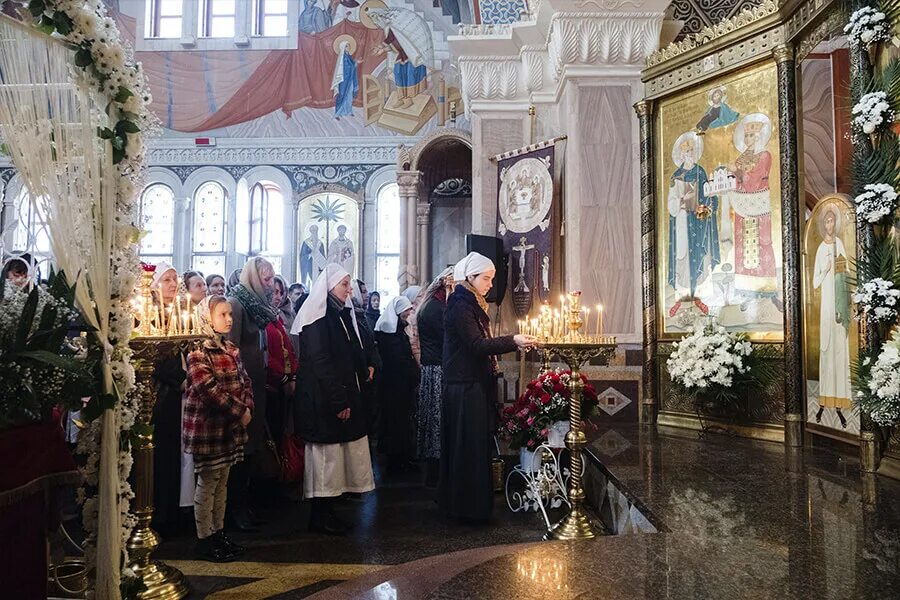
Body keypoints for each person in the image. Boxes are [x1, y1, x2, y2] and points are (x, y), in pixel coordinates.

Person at [440, 252, 535, 522]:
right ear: (470, 277)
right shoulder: (460, 305)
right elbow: (476, 346)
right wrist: (513, 340)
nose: (490, 284)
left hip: (472, 384)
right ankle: (465, 507)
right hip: (463, 386)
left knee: (474, 446)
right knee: (466, 447)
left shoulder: (473, 303)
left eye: (492, 279)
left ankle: (474, 506)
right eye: (486, 278)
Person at [292, 264, 376, 535]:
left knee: (336, 459)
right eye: (344, 284)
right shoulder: (318, 318)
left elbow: (350, 349)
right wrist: (339, 401)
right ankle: (319, 515)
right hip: (322, 401)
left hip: (337, 396)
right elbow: (322, 362)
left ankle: (329, 511)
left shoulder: (338, 313)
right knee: (325, 461)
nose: (349, 289)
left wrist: (364, 367)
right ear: (328, 288)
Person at [184, 296, 254, 562]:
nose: (229, 319)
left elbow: (245, 381)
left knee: (223, 482)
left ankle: (219, 532)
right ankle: (204, 537)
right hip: (209, 427)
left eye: (230, 315)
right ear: (207, 318)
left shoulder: (231, 348)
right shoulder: (197, 352)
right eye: (223, 315)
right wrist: (240, 411)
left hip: (229, 428)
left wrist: (247, 406)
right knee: (208, 482)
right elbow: (208, 389)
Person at [225, 257, 279, 531]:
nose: (270, 285)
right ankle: (234, 510)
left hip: (257, 386)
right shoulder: (237, 304)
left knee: (252, 449)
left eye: (272, 279)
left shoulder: (258, 307)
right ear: (254, 279)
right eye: (266, 280)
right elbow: (230, 350)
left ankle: (245, 505)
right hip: (241, 389)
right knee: (240, 451)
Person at [150, 263, 189, 531]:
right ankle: (157, 515)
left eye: (175, 279)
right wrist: (181, 378)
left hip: (176, 397)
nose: (173, 284)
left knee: (174, 454)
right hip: (159, 397)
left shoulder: (176, 313)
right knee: (159, 456)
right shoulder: (149, 314)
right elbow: (157, 357)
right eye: (166, 280)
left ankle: (171, 511)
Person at [666, 132, 718, 317]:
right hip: (681, 221)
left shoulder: (700, 172)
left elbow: (709, 194)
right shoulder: (676, 176)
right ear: (681, 155)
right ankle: (682, 297)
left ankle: (699, 296)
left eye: (691, 151)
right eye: (686, 152)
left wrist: (708, 203)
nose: (689, 154)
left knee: (699, 257)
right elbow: (671, 203)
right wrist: (682, 199)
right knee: (683, 257)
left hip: (698, 221)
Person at [813, 205, 852, 428]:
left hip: (839, 305)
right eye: (826, 222)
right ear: (823, 225)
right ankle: (825, 399)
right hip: (826, 307)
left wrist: (841, 269)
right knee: (827, 351)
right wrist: (827, 268)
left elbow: (846, 273)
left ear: (835, 223)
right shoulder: (820, 249)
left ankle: (841, 400)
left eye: (831, 221)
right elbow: (815, 281)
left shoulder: (839, 245)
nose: (829, 225)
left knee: (840, 351)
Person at [415, 268, 454, 487]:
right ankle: (437, 475)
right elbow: (448, 337)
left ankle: (434, 474)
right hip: (437, 369)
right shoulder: (436, 308)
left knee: (433, 423)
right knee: (437, 424)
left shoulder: (431, 305)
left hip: (432, 368)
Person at [375, 295, 419, 474]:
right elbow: (396, 359)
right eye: (407, 309)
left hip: (402, 385)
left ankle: (404, 457)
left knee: (403, 422)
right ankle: (394, 460)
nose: (409, 312)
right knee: (394, 423)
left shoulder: (400, 328)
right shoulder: (387, 330)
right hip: (393, 386)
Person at [267, 275, 299, 445]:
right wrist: (284, 378)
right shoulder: (263, 318)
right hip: (272, 385)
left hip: (285, 384)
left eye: (280, 293)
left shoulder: (277, 317)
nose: (278, 297)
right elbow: (266, 354)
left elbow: (289, 348)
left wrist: (293, 376)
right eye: (274, 292)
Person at [351, 279, 381, 436]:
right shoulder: (352, 316)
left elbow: (370, 344)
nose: (367, 294)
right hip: (360, 375)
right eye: (362, 291)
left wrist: (373, 365)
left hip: (370, 371)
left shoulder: (362, 316)